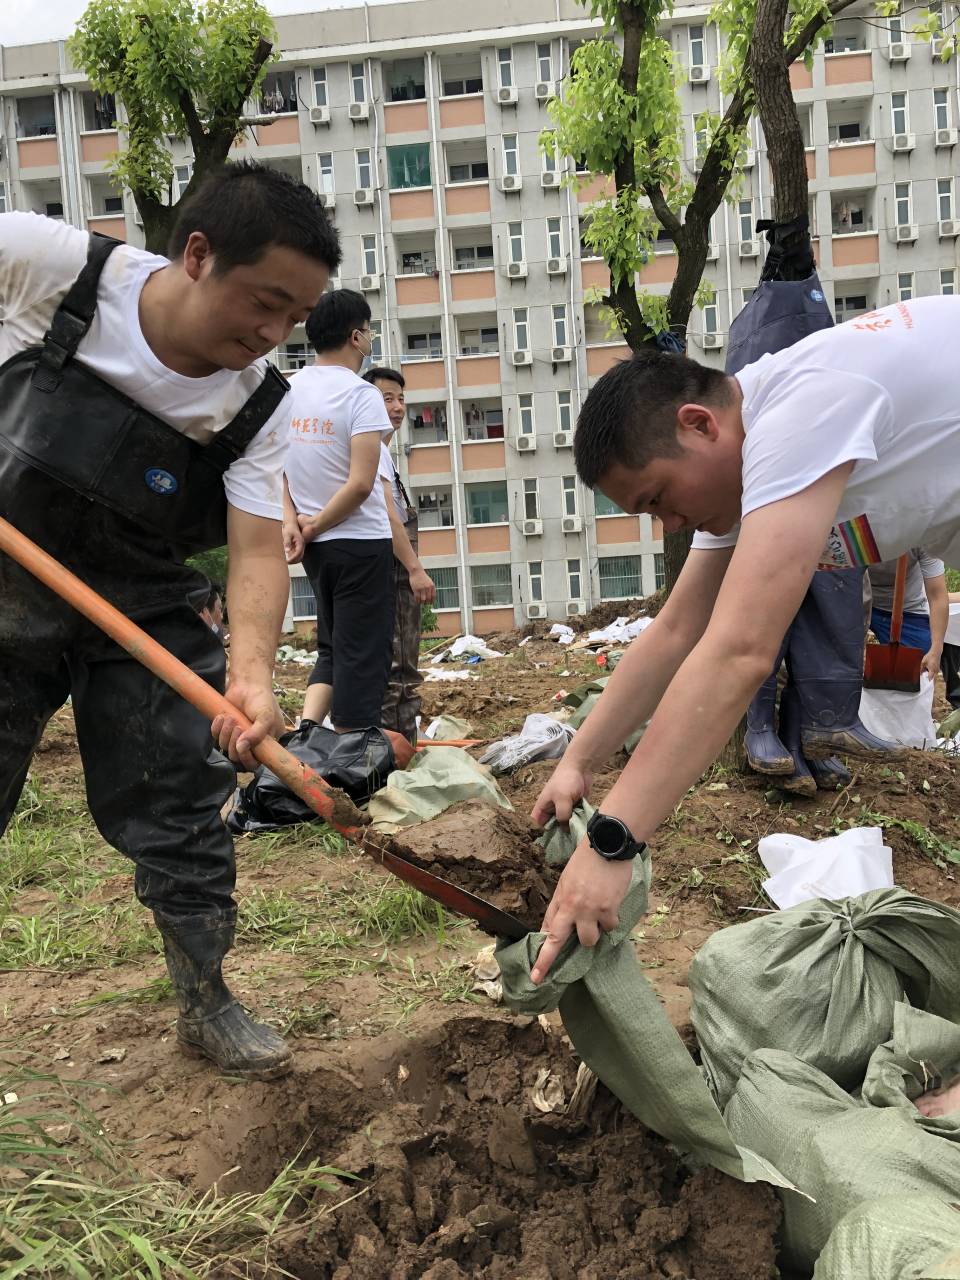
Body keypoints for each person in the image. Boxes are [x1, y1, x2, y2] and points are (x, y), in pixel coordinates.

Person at [530, 296, 960, 1049]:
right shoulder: (748, 443)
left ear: (699, 424)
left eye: (658, 499)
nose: (668, 525)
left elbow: (738, 652)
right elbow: (677, 630)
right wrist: (579, 759)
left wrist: (613, 843)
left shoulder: (797, 416)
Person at [0, 163, 340, 1078]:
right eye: (264, 302)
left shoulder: (257, 402)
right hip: (4, 582)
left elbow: (257, 552)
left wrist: (253, 679)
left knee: (182, 800)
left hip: (139, 603)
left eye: (296, 317)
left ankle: (205, 998)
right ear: (197, 254)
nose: (272, 333)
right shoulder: (49, 268)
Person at [282, 292, 396, 734]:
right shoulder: (361, 394)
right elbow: (362, 484)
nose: (370, 338)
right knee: (362, 655)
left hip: (316, 549)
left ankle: (307, 735)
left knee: (332, 646)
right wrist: (314, 525)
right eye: (368, 330)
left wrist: (295, 523)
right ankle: (349, 756)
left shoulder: (288, 389)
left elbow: (277, 470)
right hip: (359, 544)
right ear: (355, 337)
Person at [362, 366, 436, 745]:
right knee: (399, 668)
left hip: (386, 569)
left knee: (399, 666)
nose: (397, 407)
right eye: (387, 398)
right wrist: (414, 568)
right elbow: (388, 516)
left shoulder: (381, 453)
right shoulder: (372, 449)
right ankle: (394, 754)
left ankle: (394, 748)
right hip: (391, 572)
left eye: (401, 399)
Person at [867, 550, 948, 680]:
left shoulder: (926, 540)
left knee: (920, 672)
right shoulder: (853, 536)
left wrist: (936, 648)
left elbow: (937, 596)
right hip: (858, 601)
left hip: (907, 608)